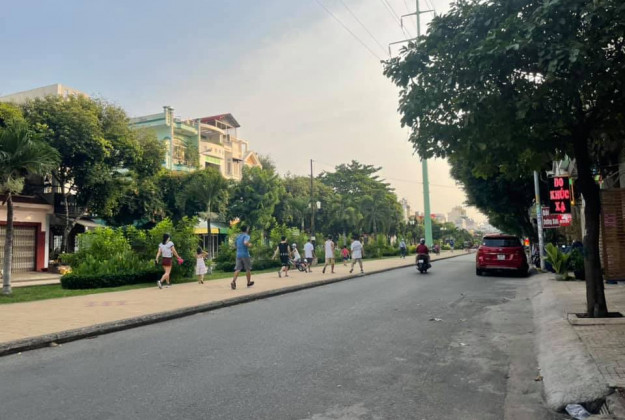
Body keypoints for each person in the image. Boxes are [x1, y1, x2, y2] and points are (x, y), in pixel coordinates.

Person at [231, 225, 253, 290]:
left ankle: (233, 281)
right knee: (248, 269)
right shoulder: (246, 236)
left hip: (238, 254)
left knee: (237, 269)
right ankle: (248, 282)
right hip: (245, 255)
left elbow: (235, 245)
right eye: (248, 228)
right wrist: (249, 245)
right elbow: (245, 242)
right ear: (246, 229)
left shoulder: (238, 236)